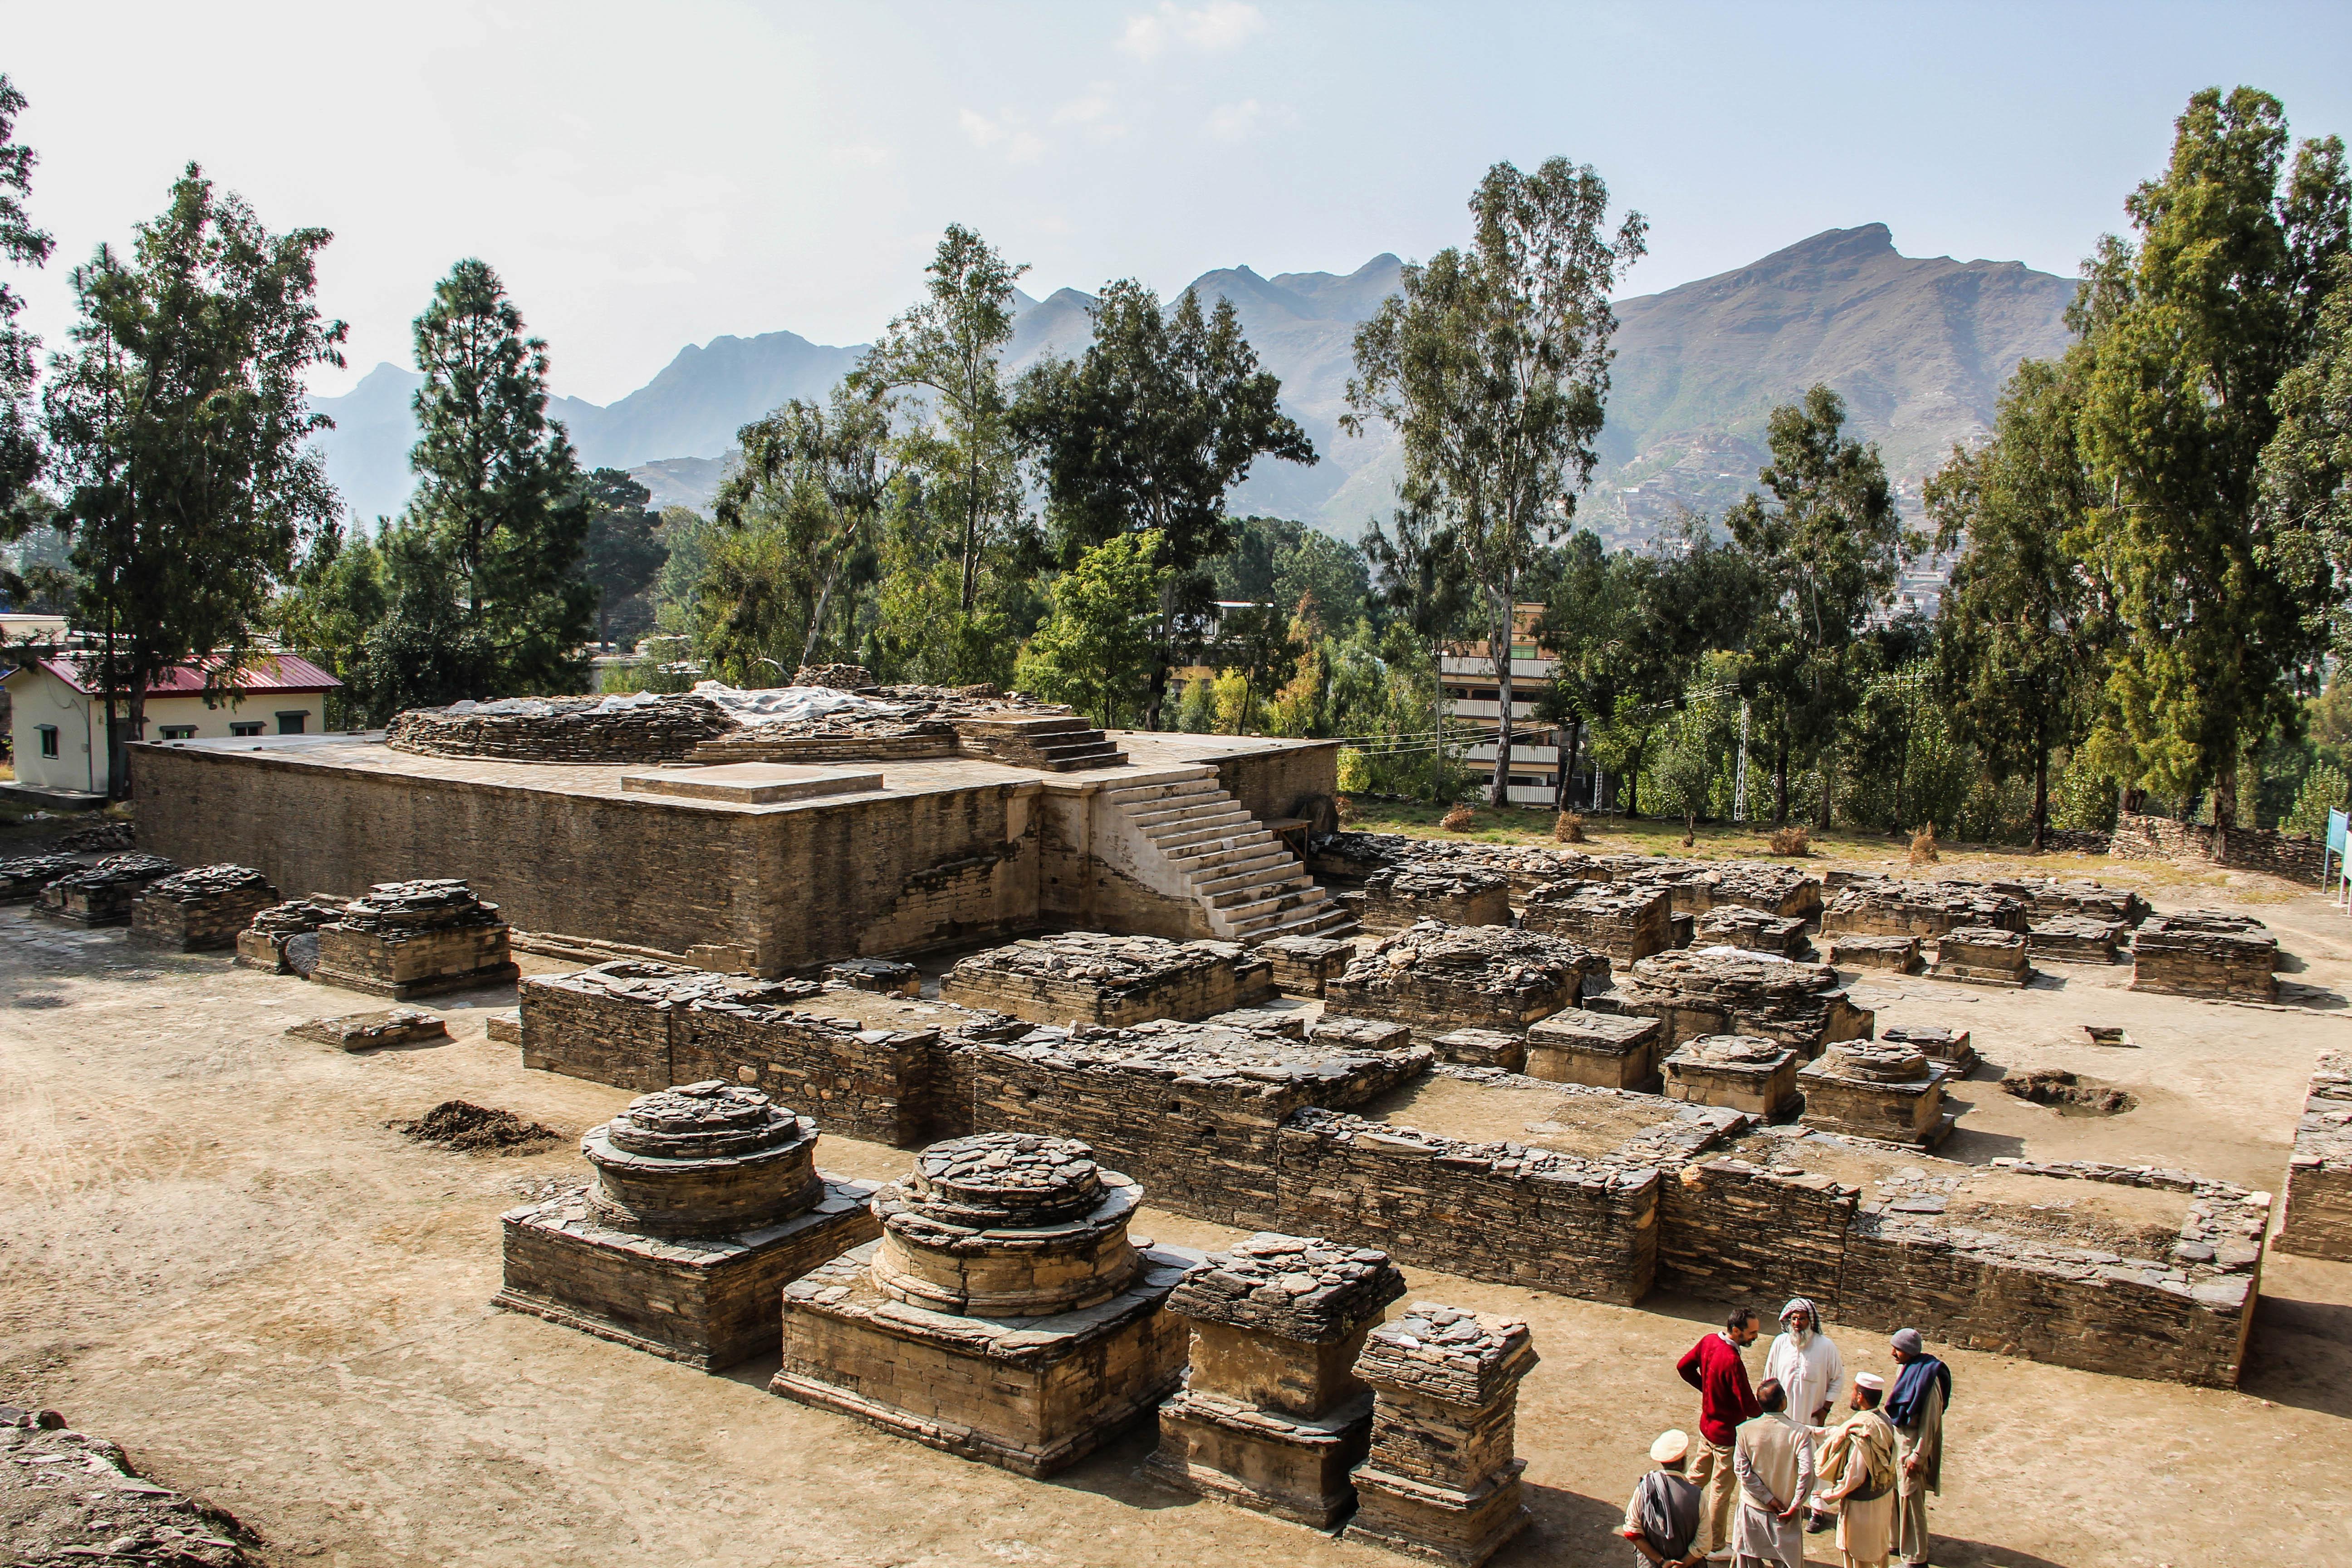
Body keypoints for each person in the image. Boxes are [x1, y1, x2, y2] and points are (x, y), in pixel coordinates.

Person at [1676, 1308, 1764, 1561]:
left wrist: (1706, 1389)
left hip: (1708, 1427)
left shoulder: (1708, 1342)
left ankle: (1678, 1521)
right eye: (1752, 1333)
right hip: (1727, 1437)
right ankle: (1715, 1545)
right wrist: (1768, 1416)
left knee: (1696, 1478)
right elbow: (1747, 1402)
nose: (1755, 1337)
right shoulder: (1732, 1360)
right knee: (1721, 1492)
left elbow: (1684, 1367)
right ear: (1736, 1331)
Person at [1816, 1372, 1898, 1568]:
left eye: (1854, 1392)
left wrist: (1829, 1494)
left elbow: (1855, 1476)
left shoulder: (1864, 1431)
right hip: (1882, 1499)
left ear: (1860, 1397)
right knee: (1879, 1551)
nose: (1851, 1396)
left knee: (1859, 1558)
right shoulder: (1884, 1421)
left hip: (1862, 1508)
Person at [1730, 1377, 1814, 1568]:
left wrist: (1768, 1498)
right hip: (1785, 1514)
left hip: (1753, 1510)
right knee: (1787, 1563)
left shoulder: (1745, 1431)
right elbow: (1807, 1473)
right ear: (1784, 1402)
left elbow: (1743, 1472)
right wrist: (1795, 1505)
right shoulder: (1800, 1434)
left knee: (1749, 1560)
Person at [1886, 1328, 1951, 1568]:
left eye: (1898, 1349)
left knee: (1911, 1501)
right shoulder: (1905, 1368)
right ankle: (1896, 1543)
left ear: (1910, 1351)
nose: (1893, 1353)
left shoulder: (1928, 1379)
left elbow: (1931, 1422)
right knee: (1895, 1496)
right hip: (1899, 1444)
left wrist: (1919, 1455)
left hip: (1912, 1449)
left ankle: (1915, 1558)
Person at [1620, 1428, 1706, 1568]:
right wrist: (1682, 1565)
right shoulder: (1697, 1496)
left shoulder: (1643, 1490)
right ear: (1683, 1462)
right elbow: (1703, 1544)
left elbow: (1632, 1532)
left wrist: (1661, 1561)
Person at [1762, 1298, 1844, 1438]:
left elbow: (1837, 1379)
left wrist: (1825, 1411)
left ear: (1810, 1321)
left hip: (1811, 1418)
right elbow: (1768, 1379)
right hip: (1781, 1416)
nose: (1797, 1323)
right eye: (1794, 1319)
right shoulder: (1780, 1343)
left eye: (1802, 1319)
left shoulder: (1826, 1346)